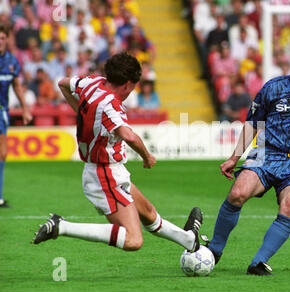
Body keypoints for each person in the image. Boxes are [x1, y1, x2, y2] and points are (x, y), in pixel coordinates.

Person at [32, 52, 203, 255]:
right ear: (127, 84)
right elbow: (128, 136)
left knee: (148, 213)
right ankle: (62, 227)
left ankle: (189, 240)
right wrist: (147, 157)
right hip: (104, 174)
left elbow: (63, 83)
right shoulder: (110, 105)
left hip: (112, 171)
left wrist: (82, 113)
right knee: (133, 239)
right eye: (133, 87)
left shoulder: (93, 82)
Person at [207, 42, 290, 275]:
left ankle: (258, 262)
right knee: (237, 193)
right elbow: (253, 123)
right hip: (266, 153)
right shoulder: (273, 88)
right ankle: (214, 251)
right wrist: (234, 157)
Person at [0, 25, 32, 208]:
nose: (0, 41)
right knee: (2, 153)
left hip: (2, 111)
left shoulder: (12, 61)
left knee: (2, 153)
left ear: (7, 40)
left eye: (3, 38)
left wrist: (25, 109)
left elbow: (17, 86)